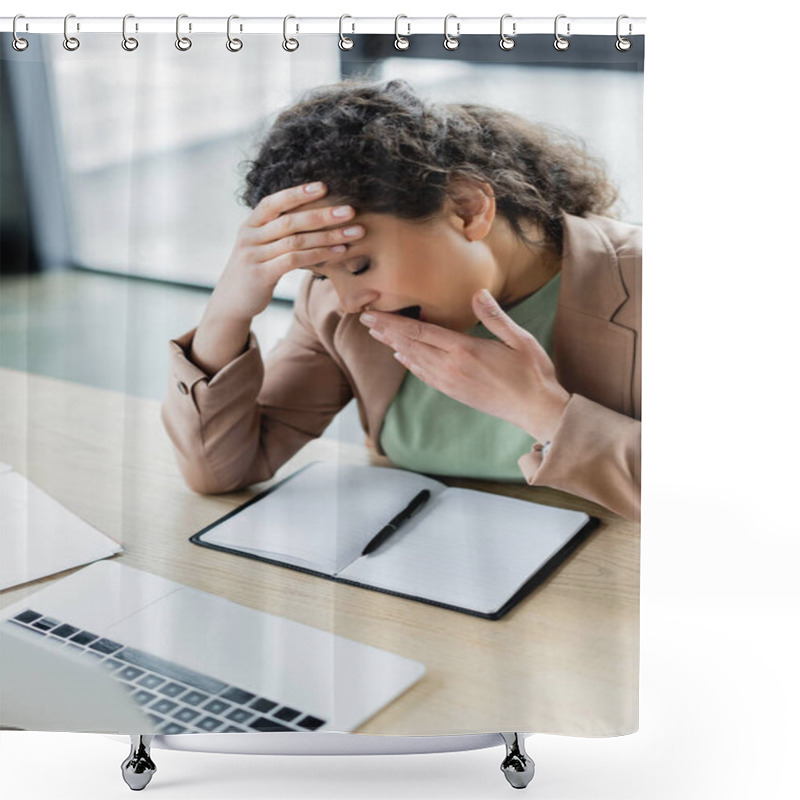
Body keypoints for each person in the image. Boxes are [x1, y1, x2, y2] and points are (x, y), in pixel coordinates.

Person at [161, 78, 641, 521]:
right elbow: (220, 471)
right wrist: (228, 309)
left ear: (467, 208)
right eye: (320, 273)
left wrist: (541, 411)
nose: (350, 302)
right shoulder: (334, 309)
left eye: (359, 265)